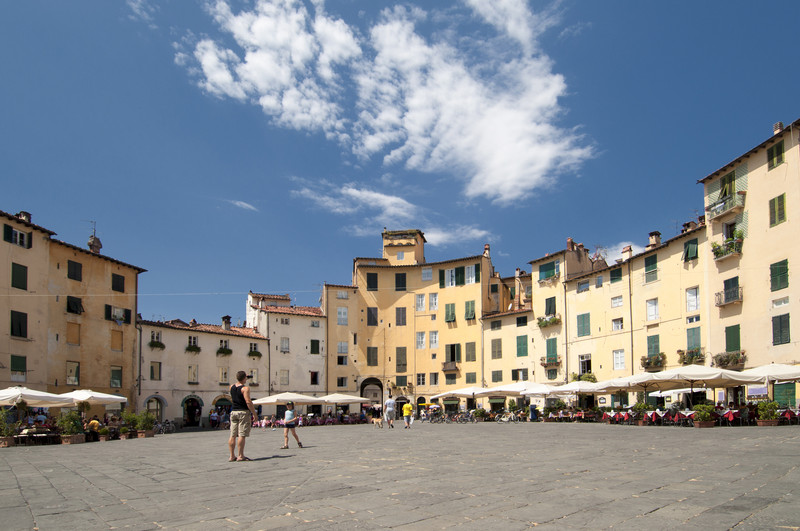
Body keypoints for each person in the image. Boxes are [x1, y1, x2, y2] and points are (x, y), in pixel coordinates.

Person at [228, 370, 258, 462]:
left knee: (233, 435)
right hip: (243, 412)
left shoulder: (231, 387)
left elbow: (239, 383)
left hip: (233, 412)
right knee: (242, 434)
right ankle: (240, 455)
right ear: (244, 378)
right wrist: (254, 414)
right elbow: (248, 401)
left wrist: (244, 376)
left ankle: (232, 456)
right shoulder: (245, 388)